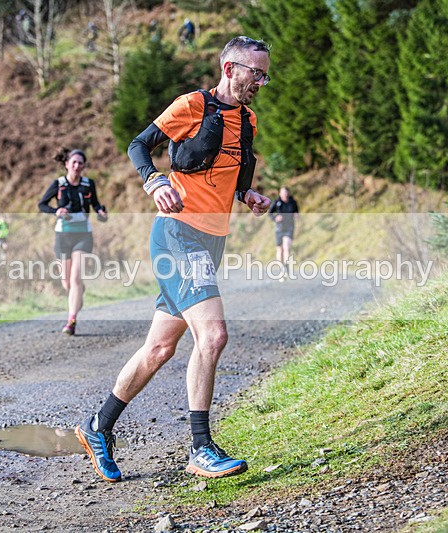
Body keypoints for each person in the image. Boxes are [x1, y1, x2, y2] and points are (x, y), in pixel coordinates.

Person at [75, 36, 272, 482]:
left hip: (211, 240)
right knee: (214, 335)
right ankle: (201, 448)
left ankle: (98, 427)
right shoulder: (192, 105)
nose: (261, 81)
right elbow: (138, 145)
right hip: (178, 234)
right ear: (229, 68)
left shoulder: (248, 120)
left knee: (160, 348)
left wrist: (247, 194)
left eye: (264, 74)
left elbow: (234, 171)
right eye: (254, 72)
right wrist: (154, 182)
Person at [38, 149, 108, 336]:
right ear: (67, 164)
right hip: (63, 236)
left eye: (80, 163)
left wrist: (101, 212)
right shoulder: (58, 184)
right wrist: (56, 211)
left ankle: (71, 321)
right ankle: (77, 294)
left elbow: (96, 204)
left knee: (76, 278)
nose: (77, 166)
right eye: (74, 162)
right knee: (67, 283)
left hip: (83, 235)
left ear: (84, 166)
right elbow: (42, 205)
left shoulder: (88, 184)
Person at [268, 186, 299, 278]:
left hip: (289, 227)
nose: (285, 194)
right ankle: (280, 268)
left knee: (286, 247)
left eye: (286, 192)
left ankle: (286, 267)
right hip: (279, 228)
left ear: (288, 193)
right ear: (280, 194)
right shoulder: (277, 203)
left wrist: (296, 215)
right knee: (279, 249)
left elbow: (296, 211)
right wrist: (275, 218)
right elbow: (270, 213)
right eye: (283, 193)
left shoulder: (293, 202)